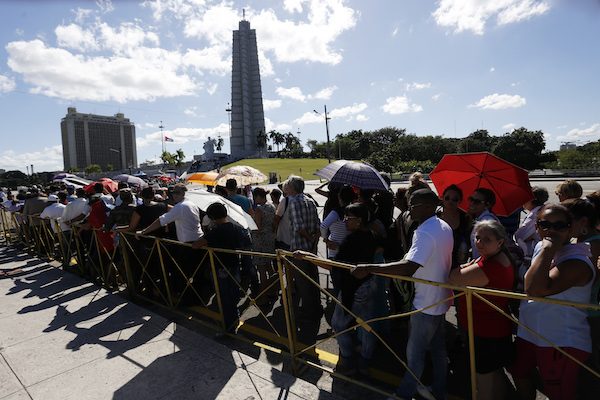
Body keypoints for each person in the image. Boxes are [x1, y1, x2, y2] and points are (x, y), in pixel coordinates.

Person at [354, 189, 453, 400]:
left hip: (426, 303)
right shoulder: (443, 225)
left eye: (413, 204)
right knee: (437, 351)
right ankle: (439, 390)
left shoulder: (425, 231)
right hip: (440, 299)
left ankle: (403, 394)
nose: (409, 207)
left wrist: (369, 268)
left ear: (427, 206)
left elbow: (409, 267)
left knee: (415, 354)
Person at [511, 204, 595, 400]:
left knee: (558, 392)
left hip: (559, 341)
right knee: (520, 372)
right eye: (545, 224)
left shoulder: (578, 261)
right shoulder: (541, 246)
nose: (552, 230)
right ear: (537, 226)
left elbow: (535, 289)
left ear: (570, 228)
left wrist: (549, 249)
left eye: (560, 225)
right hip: (530, 332)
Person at [297, 203, 385, 376]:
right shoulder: (372, 234)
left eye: (348, 218)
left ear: (359, 221)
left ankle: (347, 358)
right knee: (366, 324)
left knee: (338, 324)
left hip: (354, 290)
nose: (345, 221)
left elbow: (336, 267)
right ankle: (365, 360)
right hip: (369, 285)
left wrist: (309, 257)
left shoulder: (352, 239)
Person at [449, 220, 516, 400]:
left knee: (483, 380)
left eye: (487, 239)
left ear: (500, 242)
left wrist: (464, 266)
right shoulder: (495, 257)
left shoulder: (490, 266)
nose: (479, 243)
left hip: (485, 331)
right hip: (493, 328)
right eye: (477, 237)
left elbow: (454, 278)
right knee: (494, 374)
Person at [192, 202, 251, 334]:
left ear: (212, 217)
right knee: (233, 295)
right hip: (235, 265)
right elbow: (245, 244)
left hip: (220, 267)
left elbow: (196, 245)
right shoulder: (236, 228)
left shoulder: (216, 231)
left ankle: (228, 327)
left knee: (224, 297)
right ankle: (234, 320)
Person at [286, 175, 322, 344]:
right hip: (310, 247)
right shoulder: (309, 200)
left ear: (292, 188)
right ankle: (317, 308)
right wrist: (313, 244)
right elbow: (317, 225)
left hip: (300, 247)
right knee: (313, 279)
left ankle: (309, 314)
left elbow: (299, 228)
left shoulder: (293, 202)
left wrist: (307, 240)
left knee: (303, 283)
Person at [251, 187, 277, 303]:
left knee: (261, 269)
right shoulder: (272, 206)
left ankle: (264, 296)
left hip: (260, 240)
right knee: (269, 266)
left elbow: (257, 228)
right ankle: (273, 290)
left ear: (257, 196)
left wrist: (249, 223)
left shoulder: (259, 209)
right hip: (270, 239)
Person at [514, 186, 549, 271]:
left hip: (533, 255)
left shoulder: (534, 215)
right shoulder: (544, 209)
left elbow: (519, 236)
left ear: (532, 200)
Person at [438, 185, 471, 270]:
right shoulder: (435, 217)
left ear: (460, 201)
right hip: (439, 261)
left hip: (459, 264)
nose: (450, 201)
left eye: (455, 199)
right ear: (442, 198)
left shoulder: (466, 218)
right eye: (447, 198)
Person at [468, 188, 499, 260]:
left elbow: (489, 252)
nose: (472, 203)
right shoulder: (479, 219)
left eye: (476, 202)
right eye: (471, 199)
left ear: (487, 205)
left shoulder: (486, 222)